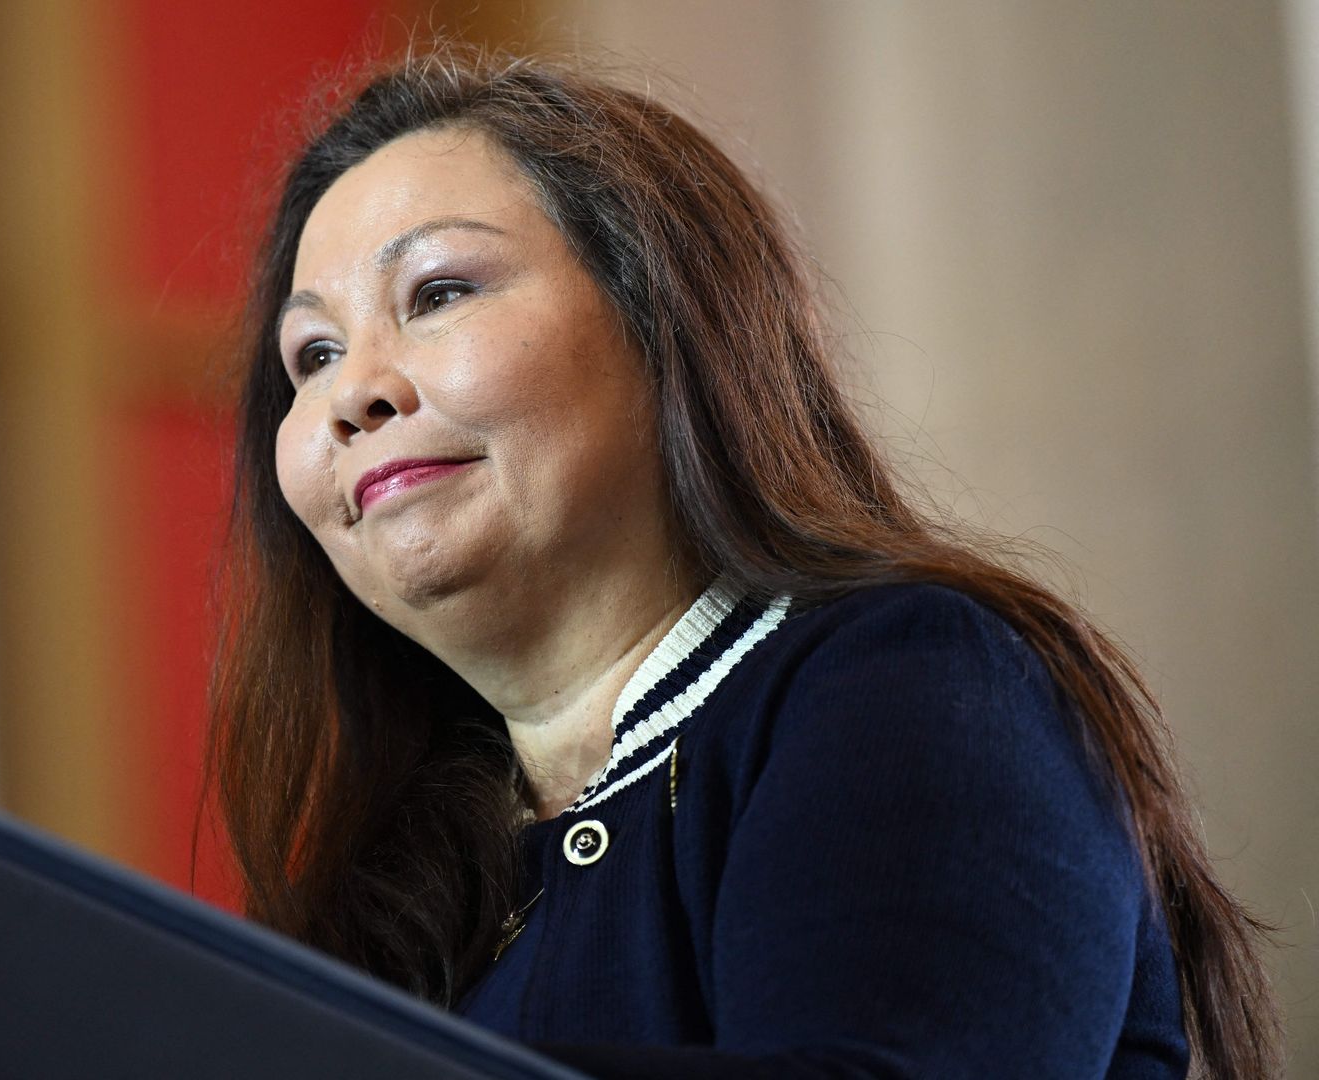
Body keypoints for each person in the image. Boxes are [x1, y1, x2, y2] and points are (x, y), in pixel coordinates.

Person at [204, 49, 1282, 1078]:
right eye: (313, 355)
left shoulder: (921, 682)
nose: (352, 395)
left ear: (665, 314)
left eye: (438, 293)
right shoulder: (389, 881)